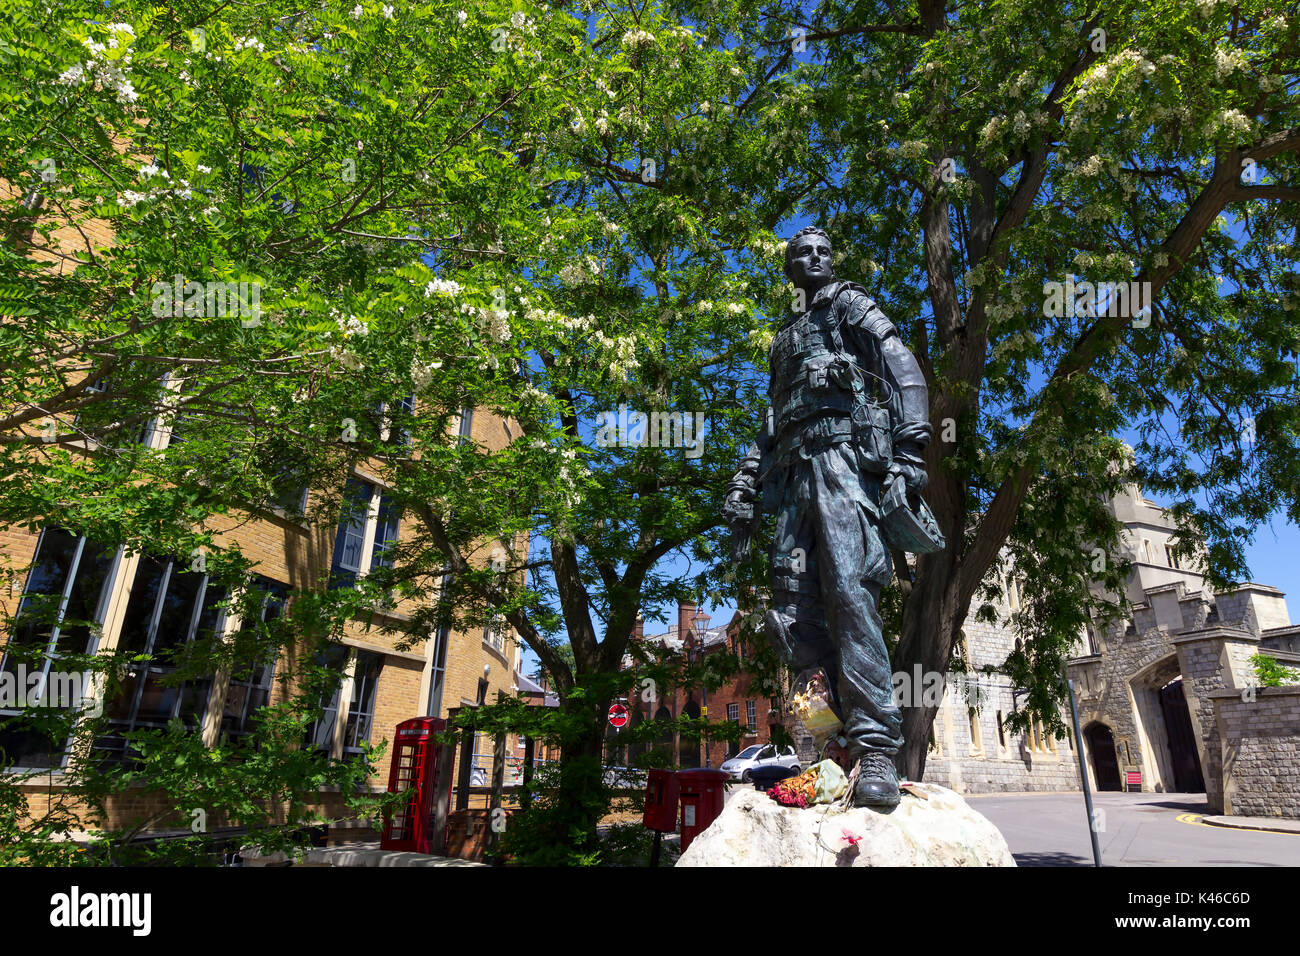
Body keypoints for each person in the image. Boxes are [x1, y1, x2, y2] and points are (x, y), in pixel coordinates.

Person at [724, 225, 934, 807]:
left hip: (840, 463)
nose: (814, 258)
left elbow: (902, 365)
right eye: (802, 253)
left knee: (848, 593)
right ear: (789, 266)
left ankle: (875, 750)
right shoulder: (784, 339)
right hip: (791, 475)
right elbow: (770, 418)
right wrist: (746, 478)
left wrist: (912, 447)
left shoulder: (850, 305)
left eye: (823, 251)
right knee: (791, 614)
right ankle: (824, 748)